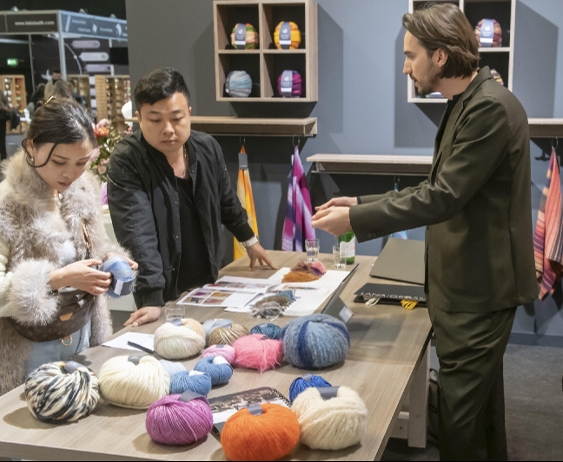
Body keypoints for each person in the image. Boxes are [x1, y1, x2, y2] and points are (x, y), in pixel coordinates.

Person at [311, 4, 537, 461]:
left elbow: (442, 198)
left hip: (481, 292)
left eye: (411, 55)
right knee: (479, 410)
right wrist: (360, 203)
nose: (404, 65)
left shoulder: (488, 108)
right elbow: (439, 186)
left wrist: (355, 223)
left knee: (458, 422)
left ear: (440, 57)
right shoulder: (468, 102)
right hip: (471, 287)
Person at [0, 98, 136, 416]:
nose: (71, 173)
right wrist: (55, 279)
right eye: (59, 161)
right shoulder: (4, 205)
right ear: (31, 147)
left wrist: (112, 261)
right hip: (27, 352)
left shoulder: (79, 190)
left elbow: (95, 243)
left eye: (82, 162)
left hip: (83, 337)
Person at [107, 68, 275, 327]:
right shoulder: (128, 160)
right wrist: (152, 297)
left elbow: (226, 200)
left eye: (177, 117)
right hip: (162, 295)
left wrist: (250, 240)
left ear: (189, 113)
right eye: (155, 120)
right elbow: (137, 233)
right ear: (138, 119)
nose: (168, 129)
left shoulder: (207, 148)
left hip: (206, 285)